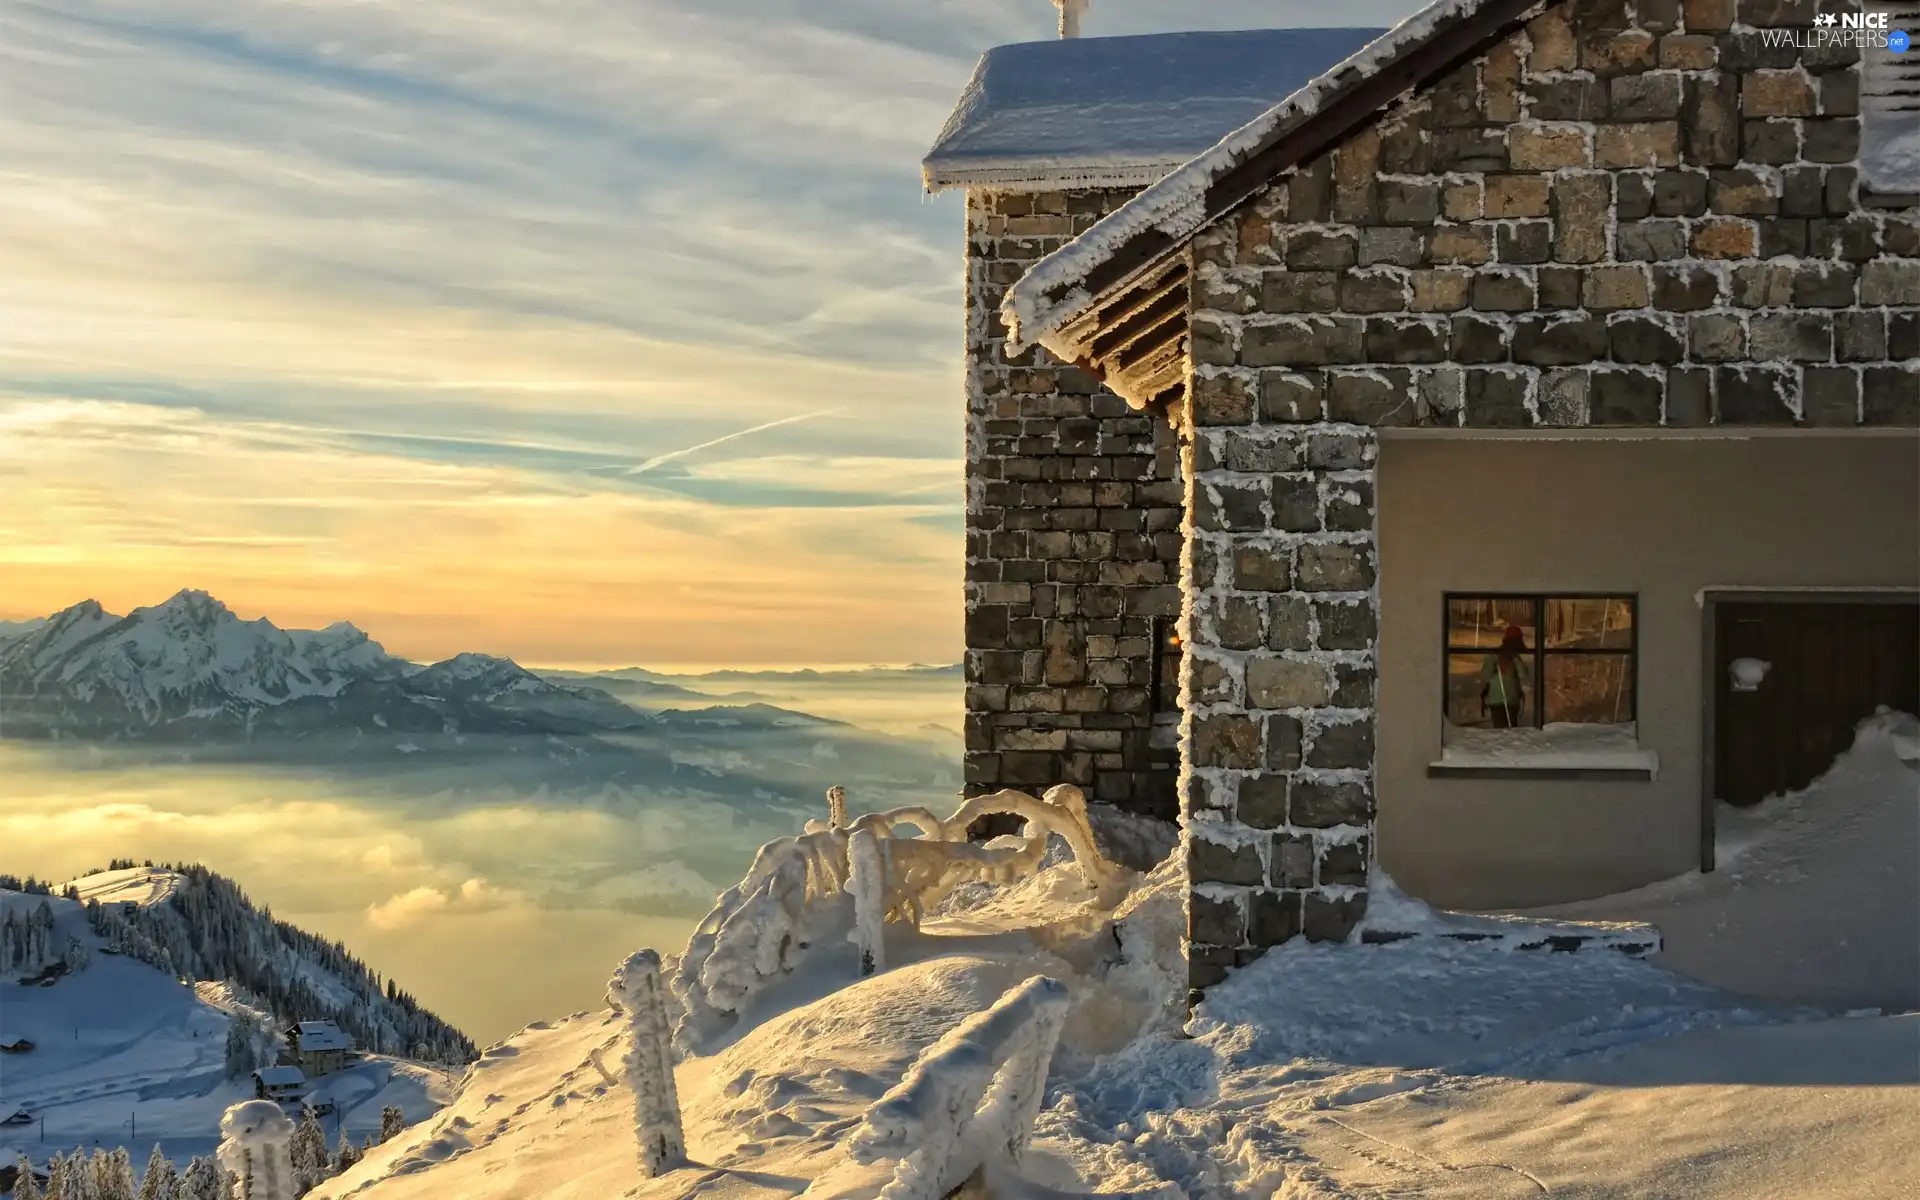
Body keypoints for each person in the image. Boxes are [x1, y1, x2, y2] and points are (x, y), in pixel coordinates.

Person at [1480, 625, 1530, 728]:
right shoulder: (1493, 656)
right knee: (1500, 730)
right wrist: (1495, 666)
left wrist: (1516, 660)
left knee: (1511, 730)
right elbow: (1486, 675)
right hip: (1497, 700)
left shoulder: (1515, 658)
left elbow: (1523, 675)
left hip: (1511, 700)